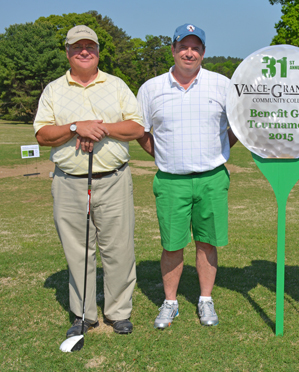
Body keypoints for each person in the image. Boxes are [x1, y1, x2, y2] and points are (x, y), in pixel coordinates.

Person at [34, 25, 144, 337]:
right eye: (77, 46)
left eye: (90, 46)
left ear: (97, 51)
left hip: (113, 180)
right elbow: (42, 134)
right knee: (78, 250)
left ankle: (118, 312)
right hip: (69, 182)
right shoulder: (54, 90)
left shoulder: (117, 85)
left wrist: (99, 128)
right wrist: (74, 127)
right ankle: (84, 315)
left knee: (118, 248)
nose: (84, 51)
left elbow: (136, 127)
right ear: (67, 52)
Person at [137, 23, 237, 329]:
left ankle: (205, 300)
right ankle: (170, 303)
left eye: (195, 47)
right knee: (172, 244)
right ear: (173, 50)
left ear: (203, 52)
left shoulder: (222, 85)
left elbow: (236, 130)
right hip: (170, 180)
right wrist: (164, 155)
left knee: (207, 242)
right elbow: (141, 132)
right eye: (183, 46)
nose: (189, 52)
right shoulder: (151, 88)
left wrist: (218, 151)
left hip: (211, 177)